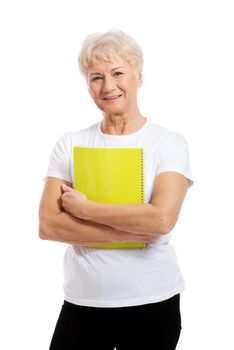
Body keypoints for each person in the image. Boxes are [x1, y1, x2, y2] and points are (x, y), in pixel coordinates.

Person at [39, 28, 193, 350]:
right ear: (88, 87)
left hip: (152, 304)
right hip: (83, 304)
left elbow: (161, 221)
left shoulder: (168, 143)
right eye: (96, 77)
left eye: (118, 73)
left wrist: (85, 210)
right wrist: (132, 233)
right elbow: (49, 225)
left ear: (138, 77)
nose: (108, 86)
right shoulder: (70, 144)